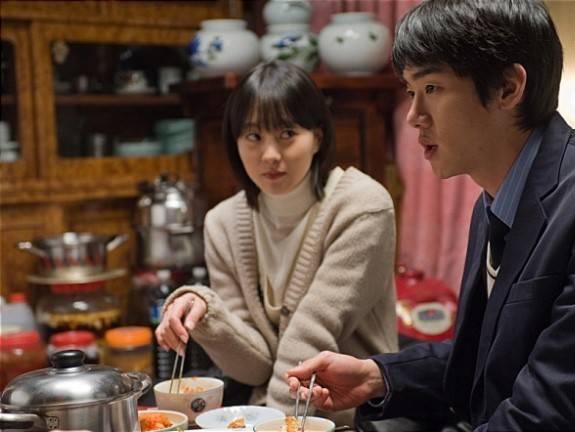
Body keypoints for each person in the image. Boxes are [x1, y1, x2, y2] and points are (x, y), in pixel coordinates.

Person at [287, 0, 575, 430]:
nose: (414, 117)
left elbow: (556, 410)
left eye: (432, 88)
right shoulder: (495, 197)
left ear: (507, 88)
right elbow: (485, 359)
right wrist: (379, 376)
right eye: (410, 92)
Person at [155, 60, 398, 425]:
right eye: (253, 136)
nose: (270, 155)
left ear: (317, 137)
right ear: (235, 142)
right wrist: (206, 312)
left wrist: (275, 425)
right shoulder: (222, 223)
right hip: (273, 414)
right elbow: (253, 366)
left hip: (360, 418)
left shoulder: (361, 207)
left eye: (287, 134)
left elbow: (311, 332)